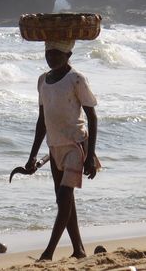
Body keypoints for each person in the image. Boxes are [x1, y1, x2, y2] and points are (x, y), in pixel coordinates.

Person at [25, 39, 98, 261]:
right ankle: (79, 249)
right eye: (48, 53)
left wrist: (91, 155)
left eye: (56, 53)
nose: (51, 57)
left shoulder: (77, 79)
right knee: (64, 200)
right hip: (54, 147)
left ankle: (48, 253)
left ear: (69, 55)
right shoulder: (42, 81)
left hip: (76, 145)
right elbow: (42, 121)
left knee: (65, 196)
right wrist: (32, 155)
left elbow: (92, 118)